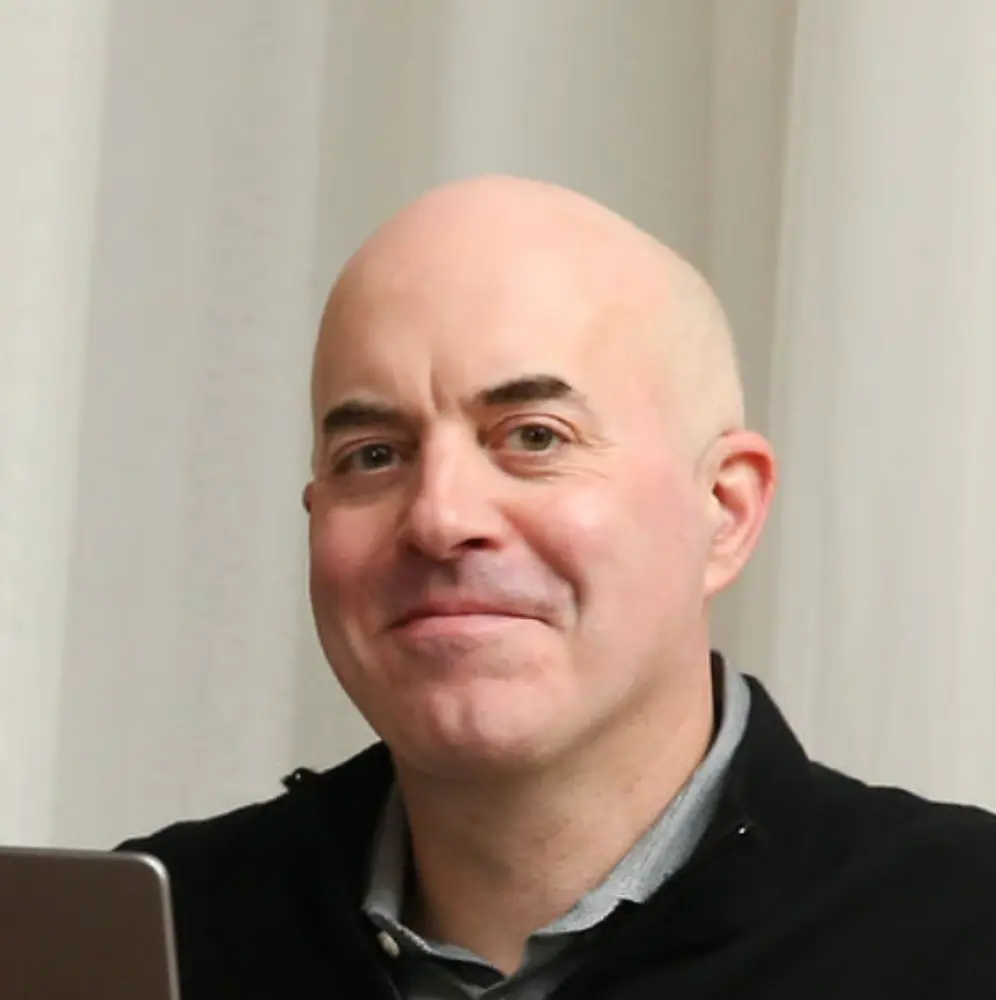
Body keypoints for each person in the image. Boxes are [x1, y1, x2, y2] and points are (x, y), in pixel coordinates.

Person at [120, 176, 996, 999]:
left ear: (723, 511)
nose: (439, 516)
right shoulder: (151, 937)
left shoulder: (963, 935)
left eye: (535, 437)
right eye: (374, 455)